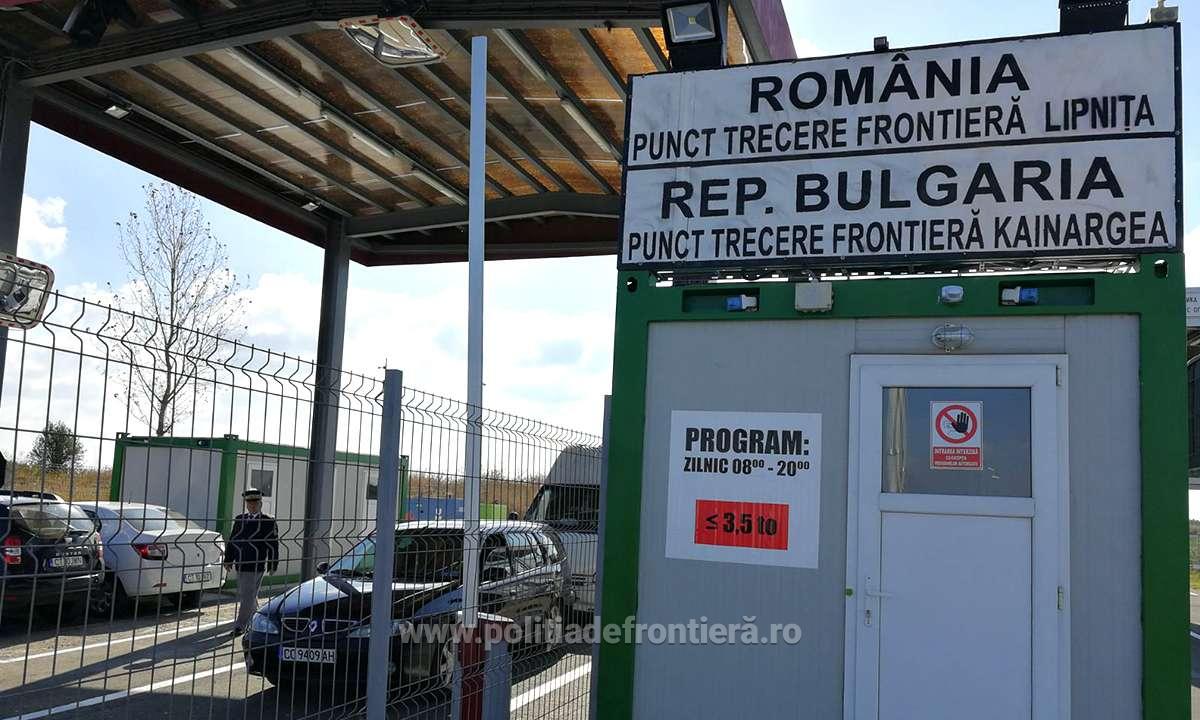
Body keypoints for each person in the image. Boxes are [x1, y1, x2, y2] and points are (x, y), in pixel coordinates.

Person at [225, 488, 279, 636]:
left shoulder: (267, 521)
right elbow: (233, 540)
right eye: (250, 503)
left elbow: (273, 544)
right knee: (249, 594)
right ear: (246, 504)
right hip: (241, 562)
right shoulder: (240, 519)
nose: (252, 505)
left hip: (256, 563)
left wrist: (273, 563)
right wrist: (228, 559)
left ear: (260, 503)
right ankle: (258, 618)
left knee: (247, 596)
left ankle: (240, 625)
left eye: (255, 502)